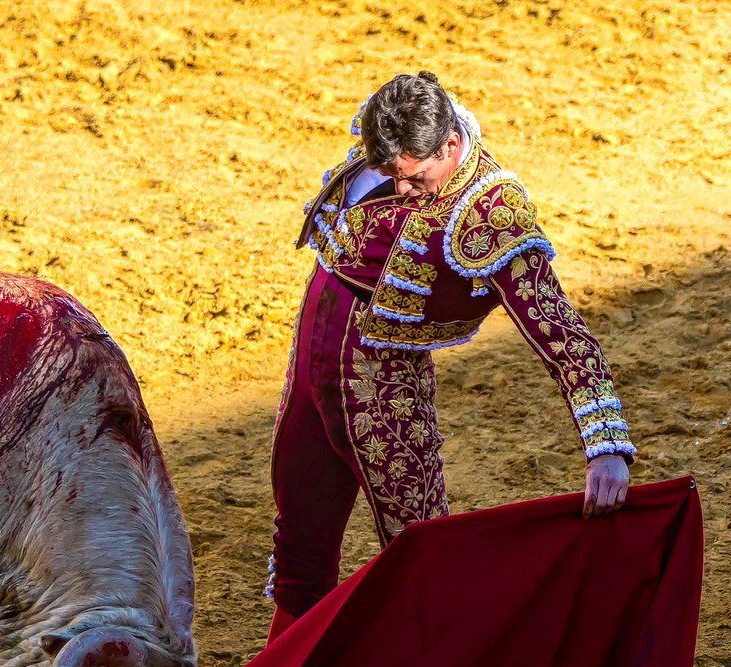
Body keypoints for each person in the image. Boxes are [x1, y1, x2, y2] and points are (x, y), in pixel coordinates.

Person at [266, 71, 636, 638]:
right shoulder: (393, 132)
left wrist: (605, 446)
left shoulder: (490, 211)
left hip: (382, 387)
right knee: (300, 546)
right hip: (311, 355)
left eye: (416, 177)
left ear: (450, 146)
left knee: (422, 553)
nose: (403, 189)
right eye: (391, 174)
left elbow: (560, 331)